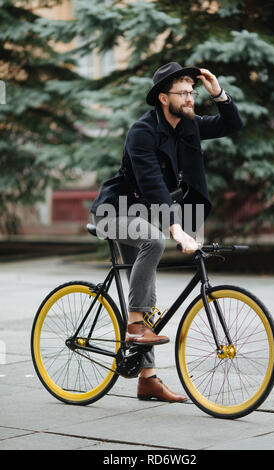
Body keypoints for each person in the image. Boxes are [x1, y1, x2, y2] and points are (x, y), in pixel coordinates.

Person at [90, 62, 243, 402]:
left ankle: (147, 379)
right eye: (184, 93)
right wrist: (177, 227)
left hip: (143, 216)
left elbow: (232, 124)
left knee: (149, 294)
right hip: (112, 212)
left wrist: (218, 93)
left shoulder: (186, 127)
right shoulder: (142, 132)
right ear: (163, 98)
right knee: (154, 240)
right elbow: (153, 184)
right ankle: (133, 326)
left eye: (193, 92)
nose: (191, 98)